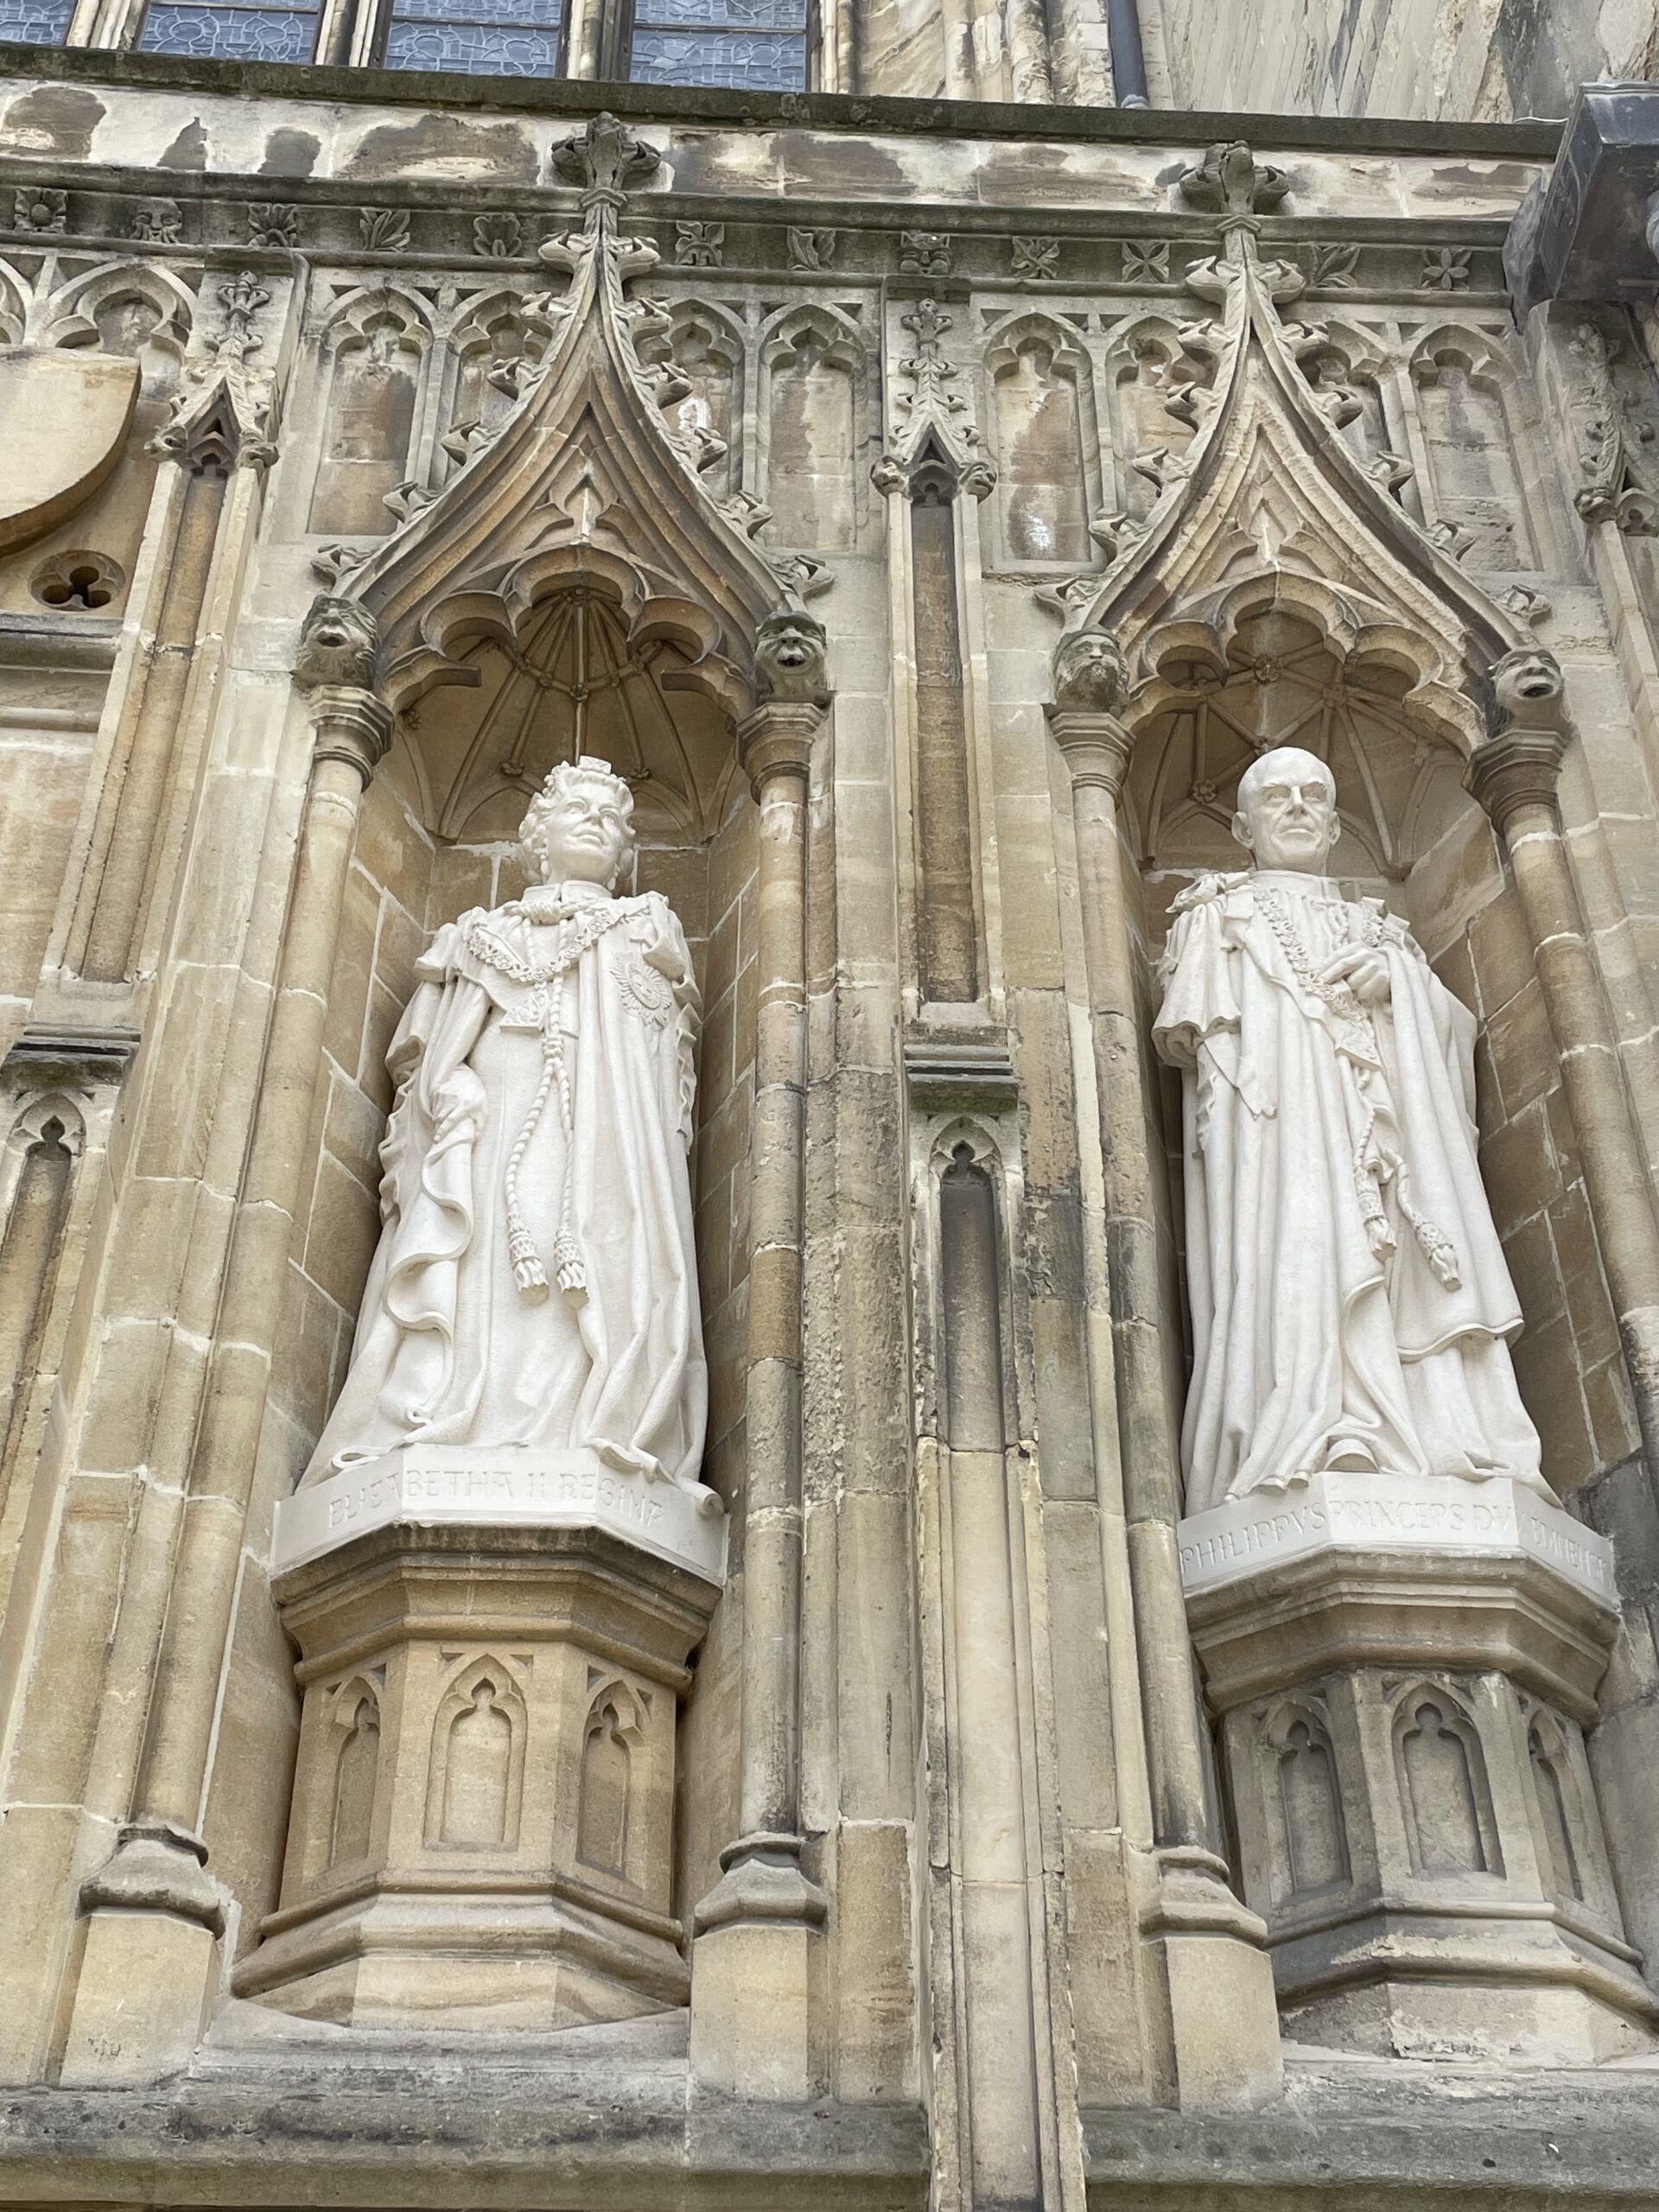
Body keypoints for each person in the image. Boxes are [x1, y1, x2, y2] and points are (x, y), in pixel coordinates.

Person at [1152, 745, 1546, 1515]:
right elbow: (1202, 1050)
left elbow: (1454, 1040)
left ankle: (1440, 1435)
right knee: (1300, 1253)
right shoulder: (1216, 914)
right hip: (1283, 1137)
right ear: (1244, 828)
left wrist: (1398, 987)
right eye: (1278, 797)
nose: (1298, 807)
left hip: (1394, 1151)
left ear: (1335, 826)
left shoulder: (1383, 932)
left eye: (1314, 794)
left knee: (1405, 1264)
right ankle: (1309, 1428)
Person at [300, 753, 707, 1498]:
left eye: (611, 819)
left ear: (624, 853)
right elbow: (425, 1053)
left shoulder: (645, 926)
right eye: (577, 809)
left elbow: (662, 1058)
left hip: (601, 1126)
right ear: (537, 836)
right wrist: (450, 1089)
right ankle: (453, 1414)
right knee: (481, 1257)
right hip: (493, 1114)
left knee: (594, 1252)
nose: (596, 823)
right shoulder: (478, 935)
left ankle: (580, 1425)